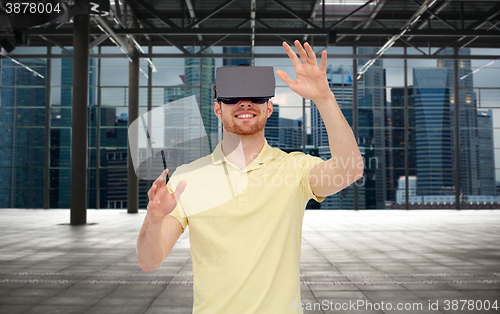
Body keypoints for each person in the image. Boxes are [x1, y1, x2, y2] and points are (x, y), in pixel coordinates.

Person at [137, 40, 364, 313]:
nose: (245, 103)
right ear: (218, 109)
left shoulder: (296, 169)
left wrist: (324, 98)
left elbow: (350, 170)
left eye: (256, 96)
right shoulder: (188, 179)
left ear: (269, 108)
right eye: (232, 97)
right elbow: (150, 262)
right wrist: (153, 219)